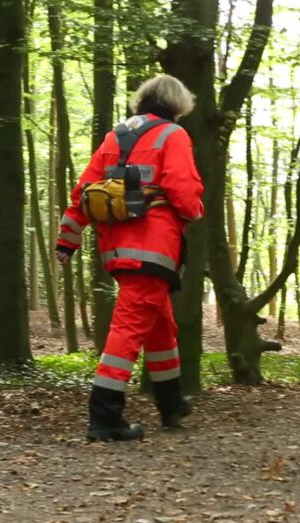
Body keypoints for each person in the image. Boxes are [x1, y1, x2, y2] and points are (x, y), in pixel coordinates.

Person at [55, 75, 205, 442]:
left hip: (117, 245)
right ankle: (104, 416)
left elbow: (84, 192)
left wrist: (67, 241)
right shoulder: (173, 135)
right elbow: (183, 192)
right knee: (129, 328)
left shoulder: (115, 136)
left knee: (160, 326)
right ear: (177, 104)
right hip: (155, 245)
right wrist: (195, 210)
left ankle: (170, 403)